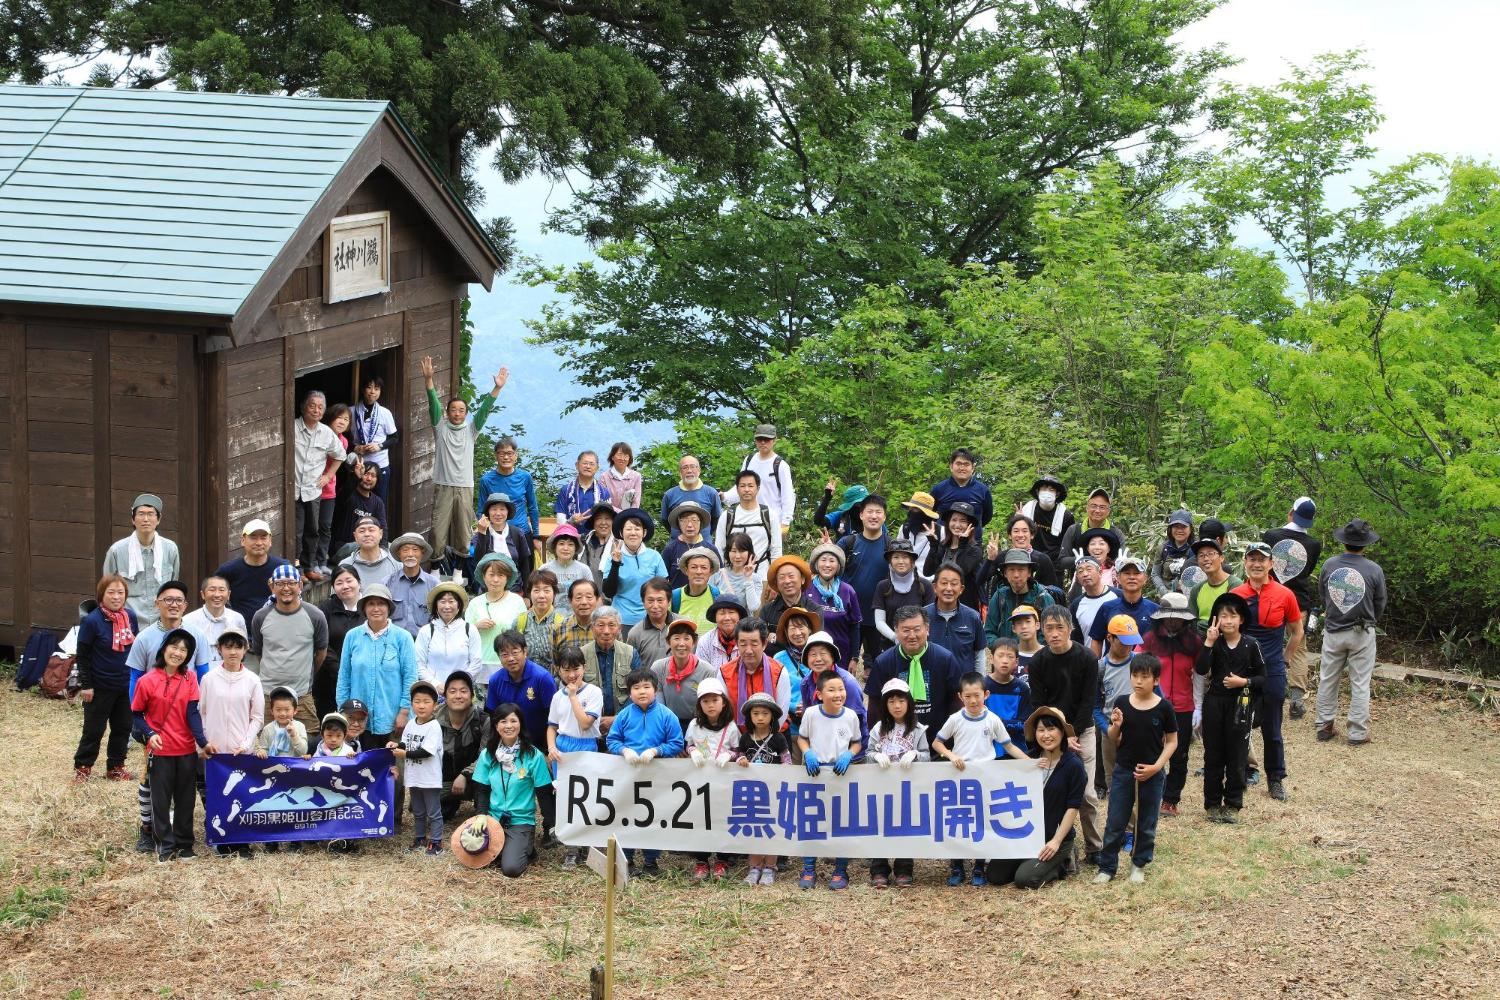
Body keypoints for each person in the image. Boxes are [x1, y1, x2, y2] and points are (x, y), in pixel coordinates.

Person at [934, 671, 1039, 886]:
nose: (973, 700)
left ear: (986, 694)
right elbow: (938, 743)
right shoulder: (955, 719)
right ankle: (957, 866)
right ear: (960, 697)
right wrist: (952, 755)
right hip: (960, 779)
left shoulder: (993, 720)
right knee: (960, 821)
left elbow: (1009, 745)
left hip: (986, 779)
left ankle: (979, 866)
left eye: (977, 695)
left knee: (981, 822)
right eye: (968, 696)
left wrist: (1030, 762)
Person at [1093, 653, 1177, 885]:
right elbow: (1112, 737)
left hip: (1152, 773)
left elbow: (1172, 741)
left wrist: (1157, 767)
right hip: (1124, 770)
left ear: (1156, 680)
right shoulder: (1121, 702)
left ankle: (1138, 864)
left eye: (1144, 677)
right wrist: (1116, 726)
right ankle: (1107, 866)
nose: (1138, 681)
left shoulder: (1164, 707)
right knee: (1115, 820)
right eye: (1135, 676)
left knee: (1147, 821)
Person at [1027, 605, 1101, 866]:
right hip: (1048, 732)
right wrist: (1058, 733)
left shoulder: (1088, 659)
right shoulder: (1037, 662)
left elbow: (1087, 702)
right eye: (1049, 628)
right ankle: (1053, 843)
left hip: (1083, 730)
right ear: (1041, 630)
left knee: (1087, 793)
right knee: (1050, 792)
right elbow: (1039, 703)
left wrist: (1073, 733)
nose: (1055, 633)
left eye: (1060, 627)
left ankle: (1094, 848)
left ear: (1070, 628)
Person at [129, 628, 208, 861]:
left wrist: (202, 742)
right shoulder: (146, 681)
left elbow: (193, 713)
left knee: (186, 798)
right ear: (164, 649)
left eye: (184, 650)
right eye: (174, 647)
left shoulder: (190, 678)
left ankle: (184, 844)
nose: (178, 653)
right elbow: (136, 714)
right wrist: (150, 733)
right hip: (160, 749)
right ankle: (164, 844)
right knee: (160, 799)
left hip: (185, 748)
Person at [1232, 541, 1302, 802]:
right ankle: (1239, 774)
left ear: (1271, 564)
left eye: (1262, 559)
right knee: (1239, 724)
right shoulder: (1237, 594)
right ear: (1245, 563)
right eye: (1252, 559)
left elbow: (1297, 632)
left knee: (1272, 727)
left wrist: (1285, 659)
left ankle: (1275, 778)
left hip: (1272, 668)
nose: (1257, 563)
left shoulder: (1285, 594)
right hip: (1243, 669)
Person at [986, 707, 1087, 890]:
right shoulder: (1028, 759)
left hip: (1053, 839)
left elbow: (1073, 807)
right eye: (1041, 730)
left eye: (1051, 729)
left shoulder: (1074, 766)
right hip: (1025, 836)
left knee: (1024, 880)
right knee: (995, 875)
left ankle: (1063, 861)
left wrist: (1056, 841)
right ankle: (1030, 861)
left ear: (1062, 732)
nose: (1046, 735)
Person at [423, 355, 506, 557]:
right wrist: (428, 380)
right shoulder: (440, 427)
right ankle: (435, 568)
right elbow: (432, 402)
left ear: (466, 414)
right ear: (447, 412)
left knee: (463, 531)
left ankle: (459, 572)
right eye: (453, 410)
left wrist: (497, 389)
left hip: (465, 486)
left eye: (461, 410)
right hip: (443, 484)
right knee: (437, 531)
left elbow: (484, 411)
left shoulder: (471, 430)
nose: (457, 413)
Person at [605, 669, 685, 876]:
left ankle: (651, 861)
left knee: (654, 817)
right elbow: (612, 740)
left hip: (656, 776)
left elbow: (676, 742)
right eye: (636, 687)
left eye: (646, 687)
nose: (642, 692)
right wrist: (624, 750)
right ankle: (628, 859)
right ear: (629, 692)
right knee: (628, 816)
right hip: (629, 776)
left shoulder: (667, 715)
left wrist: (657, 751)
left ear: (655, 690)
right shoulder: (623, 716)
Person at [1314, 519, 1387, 746]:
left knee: (1327, 679)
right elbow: (1380, 602)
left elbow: (1322, 594)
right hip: (1362, 630)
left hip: (1334, 630)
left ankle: (1324, 725)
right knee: (1360, 682)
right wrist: (1371, 619)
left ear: (1344, 542)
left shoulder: (1329, 565)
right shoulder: (1374, 569)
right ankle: (1357, 732)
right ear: (1365, 544)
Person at [1195, 592, 1264, 823]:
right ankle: (1212, 804)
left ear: (1241, 619)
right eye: (1223, 616)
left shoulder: (1251, 644)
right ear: (1216, 619)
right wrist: (1209, 642)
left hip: (1241, 704)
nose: (1228, 621)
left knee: (1237, 756)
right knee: (1213, 754)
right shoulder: (1214, 643)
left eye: (1233, 616)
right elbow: (1202, 669)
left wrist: (1244, 682)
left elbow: (1263, 678)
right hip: (1215, 702)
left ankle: (1233, 804)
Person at [198, 627, 262, 856]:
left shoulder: (253, 680)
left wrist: (246, 743)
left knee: (241, 794)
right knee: (217, 793)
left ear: (245, 650)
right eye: (228, 647)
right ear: (219, 649)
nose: (233, 652)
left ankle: (242, 841)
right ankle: (221, 839)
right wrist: (203, 743)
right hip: (215, 751)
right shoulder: (208, 679)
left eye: (238, 647)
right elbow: (201, 713)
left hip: (240, 751)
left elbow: (257, 718)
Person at [473, 703, 554, 877]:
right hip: (493, 819)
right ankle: (516, 847)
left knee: (510, 869)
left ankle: (525, 846)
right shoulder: (488, 754)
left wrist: (551, 823)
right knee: (480, 858)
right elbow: (483, 789)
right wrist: (480, 816)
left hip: (520, 820)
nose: (508, 726)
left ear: (521, 724)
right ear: (496, 726)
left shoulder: (534, 756)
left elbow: (543, 793)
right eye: (503, 721)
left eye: (513, 721)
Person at [796, 670, 860, 890]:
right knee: (812, 821)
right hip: (815, 774)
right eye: (831, 690)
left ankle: (841, 870)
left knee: (841, 822)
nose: (838, 694)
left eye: (841, 689)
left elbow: (856, 742)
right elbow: (802, 739)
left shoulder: (851, 716)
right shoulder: (811, 714)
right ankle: (809, 868)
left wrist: (849, 754)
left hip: (840, 775)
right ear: (819, 694)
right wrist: (807, 753)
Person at [335, 583, 419, 751]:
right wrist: (343, 712)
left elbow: (410, 677)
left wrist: (404, 712)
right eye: (371, 604)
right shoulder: (353, 636)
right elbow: (344, 677)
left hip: (392, 717)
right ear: (364, 608)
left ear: (388, 607)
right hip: (357, 719)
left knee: (391, 770)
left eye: (381, 603)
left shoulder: (403, 637)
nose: (376, 608)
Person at [248, 564, 328, 738]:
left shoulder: (315, 615)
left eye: (291, 583)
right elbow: (260, 652)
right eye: (280, 583)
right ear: (272, 586)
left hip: (302, 694)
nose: (286, 588)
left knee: (309, 742)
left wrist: (307, 674)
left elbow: (321, 652)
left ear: (300, 585)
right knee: (265, 745)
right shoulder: (261, 616)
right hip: (268, 694)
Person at [864, 677, 929, 888]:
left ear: (909, 702)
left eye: (901, 700)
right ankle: (879, 868)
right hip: (881, 787)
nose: (897, 705)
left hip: (908, 788)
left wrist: (916, 755)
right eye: (891, 701)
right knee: (879, 826)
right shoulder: (878, 729)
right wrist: (874, 756)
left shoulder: (918, 729)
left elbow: (928, 756)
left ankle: (904, 867)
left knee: (905, 826)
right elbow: (868, 752)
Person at [1142, 594, 1203, 817]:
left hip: (1184, 707)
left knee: (1179, 755)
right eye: (1169, 618)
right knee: (1151, 752)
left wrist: (1199, 706)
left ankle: (1171, 799)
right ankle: (1151, 795)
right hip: (1155, 705)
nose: (1173, 622)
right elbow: (1138, 669)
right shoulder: (1149, 640)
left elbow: (1199, 675)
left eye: (1178, 618)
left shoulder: (1194, 641)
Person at [1263, 496, 1324, 720]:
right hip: (1298, 602)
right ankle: (1297, 699)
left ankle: (1266, 693)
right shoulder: (1313, 545)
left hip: (1270, 599)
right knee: (1298, 648)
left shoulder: (1271, 536)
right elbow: (1307, 571)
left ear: (1291, 512)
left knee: (1266, 645)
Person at [866, 606, 962, 741]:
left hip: (939, 741)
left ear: (927, 629)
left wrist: (953, 739)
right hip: (895, 744)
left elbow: (956, 702)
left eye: (917, 630)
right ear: (896, 631)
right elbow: (875, 706)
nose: (912, 636)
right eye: (905, 630)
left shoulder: (945, 659)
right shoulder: (883, 662)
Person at [546, 647, 604, 868]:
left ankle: (587, 844)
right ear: (558, 670)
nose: (572, 675)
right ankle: (571, 848)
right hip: (563, 749)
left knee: (586, 796)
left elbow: (585, 722)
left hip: (585, 747)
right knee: (565, 799)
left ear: (584, 668)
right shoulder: (555, 696)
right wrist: (551, 747)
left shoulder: (593, 693)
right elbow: (552, 726)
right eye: (566, 670)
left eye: (576, 669)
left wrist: (572, 696)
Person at [684, 676, 741, 880]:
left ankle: (722, 860)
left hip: (722, 784)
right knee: (700, 820)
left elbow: (738, 750)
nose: (710, 705)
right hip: (700, 782)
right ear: (700, 704)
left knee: (721, 820)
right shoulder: (694, 725)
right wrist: (693, 752)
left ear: (723, 702)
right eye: (705, 701)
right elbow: (689, 744)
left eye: (715, 700)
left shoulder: (731, 727)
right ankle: (701, 861)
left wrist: (730, 755)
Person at [735, 692, 792, 886]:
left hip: (773, 793)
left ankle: (770, 866)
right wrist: (740, 760)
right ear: (749, 716)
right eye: (756, 713)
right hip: (752, 794)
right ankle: (754, 867)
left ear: (772, 717)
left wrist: (782, 775)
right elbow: (739, 757)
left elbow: (787, 761)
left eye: (765, 713)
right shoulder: (744, 739)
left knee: (771, 829)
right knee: (754, 829)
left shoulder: (779, 739)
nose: (760, 717)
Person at [291, 391, 348, 581]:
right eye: (312, 405)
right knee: (296, 532)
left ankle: (309, 567)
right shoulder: (293, 427)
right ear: (303, 407)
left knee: (313, 530)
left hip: (313, 490)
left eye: (320, 407)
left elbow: (341, 455)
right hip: (294, 489)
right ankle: (297, 570)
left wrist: (328, 476)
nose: (316, 410)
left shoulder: (326, 433)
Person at [101, 493, 181, 626]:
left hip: (161, 621)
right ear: (133, 519)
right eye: (141, 514)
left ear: (158, 519)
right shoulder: (117, 551)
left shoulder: (171, 549)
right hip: (127, 622)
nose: (146, 519)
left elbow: (173, 585)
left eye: (151, 514)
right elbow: (107, 588)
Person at [127, 581, 211, 697]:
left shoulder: (197, 635)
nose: (174, 605)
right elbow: (136, 677)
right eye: (168, 599)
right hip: (154, 703)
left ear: (185, 605)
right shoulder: (143, 638)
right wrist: (135, 711)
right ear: (157, 604)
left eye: (179, 600)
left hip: (187, 703)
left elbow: (203, 673)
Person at [391, 679, 445, 855]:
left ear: (435, 705)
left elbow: (426, 752)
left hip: (429, 778)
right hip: (414, 776)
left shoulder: (434, 726)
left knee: (433, 812)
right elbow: (406, 745)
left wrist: (404, 754)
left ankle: (436, 842)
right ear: (412, 703)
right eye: (417, 701)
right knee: (418, 811)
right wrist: (396, 746)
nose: (421, 706)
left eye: (426, 702)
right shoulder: (411, 723)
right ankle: (420, 838)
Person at [486, 631, 560, 752]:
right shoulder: (495, 681)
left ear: (525, 652)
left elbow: (553, 718)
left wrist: (548, 750)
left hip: (540, 746)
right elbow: (494, 718)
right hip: (508, 746)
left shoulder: (542, 678)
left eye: (515, 652)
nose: (510, 658)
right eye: (504, 654)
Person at [838, 493, 888, 668]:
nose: (874, 516)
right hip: (849, 616)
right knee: (842, 667)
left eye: (878, 512)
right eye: (869, 511)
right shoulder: (848, 543)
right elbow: (829, 572)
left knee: (882, 669)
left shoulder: (891, 546)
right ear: (861, 514)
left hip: (880, 618)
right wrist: (827, 550)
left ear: (884, 516)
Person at [467, 552, 526, 693]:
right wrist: (477, 626)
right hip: (480, 664)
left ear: (507, 578)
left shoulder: (516, 601)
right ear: (483, 576)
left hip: (509, 663)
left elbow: (523, 633)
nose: (495, 580)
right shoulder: (475, 603)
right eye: (491, 574)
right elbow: (464, 634)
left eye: (500, 575)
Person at [213, 519, 289, 625]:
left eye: (263, 538)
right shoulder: (228, 570)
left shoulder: (282, 568)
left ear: (270, 541)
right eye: (253, 538)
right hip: (238, 632)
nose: (259, 543)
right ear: (243, 540)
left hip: (275, 629)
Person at [601, 508, 668, 627]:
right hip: (621, 620)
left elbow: (665, 589)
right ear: (621, 533)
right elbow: (608, 592)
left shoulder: (654, 556)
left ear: (644, 532)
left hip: (650, 619)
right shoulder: (613, 557)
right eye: (628, 529)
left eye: (637, 529)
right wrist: (615, 564)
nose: (633, 533)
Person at [720, 617, 792, 725]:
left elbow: (782, 712)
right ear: (737, 644)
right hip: (736, 735)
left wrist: (765, 738)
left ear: (764, 644)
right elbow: (724, 712)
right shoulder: (724, 673)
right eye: (743, 644)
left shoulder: (779, 671)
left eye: (754, 644)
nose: (748, 650)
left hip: (776, 733)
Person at [315, 402, 359, 578]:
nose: (342, 421)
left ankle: (321, 562)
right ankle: (308, 564)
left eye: (346, 419)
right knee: (312, 527)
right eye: (339, 417)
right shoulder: (320, 435)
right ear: (331, 418)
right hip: (314, 487)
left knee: (325, 526)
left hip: (330, 489)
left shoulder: (344, 441)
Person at [799, 630, 867, 742]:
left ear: (832, 656)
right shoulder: (806, 683)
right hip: (821, 747)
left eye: (823, 653)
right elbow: (808, 717)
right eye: (813, 654)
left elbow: (857, 721)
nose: (818, 659)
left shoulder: (847, 682)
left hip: (849, 748)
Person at [438, 670, 489, 820]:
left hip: (476, 778)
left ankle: (482, 806)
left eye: (463, 691)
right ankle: (449, 800)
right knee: (426, 809)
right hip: (446, 777)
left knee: (488, 781)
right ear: (445, 696)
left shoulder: (483, 721)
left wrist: (465, 774)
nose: (458, 696)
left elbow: (486, 757)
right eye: (452, 691)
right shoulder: (433, 721)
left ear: (472, 696)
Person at [314, 566, 363, 720]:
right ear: (333, 587)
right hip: (329, 679)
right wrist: (340, 669)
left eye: (349, 580)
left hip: (362, 676)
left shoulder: (369, 607)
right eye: (339, 583)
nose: (345, 586)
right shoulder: (324, 609)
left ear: (359, 582)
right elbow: (322, 642)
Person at [1087, 554, 1157, 657]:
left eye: (1137, 573)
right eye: (1127, 573)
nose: (1132, 577)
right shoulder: (1107, 608)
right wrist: (1095, 667)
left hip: (1145, 670)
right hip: (1113, 668)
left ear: (1145, 578)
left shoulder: (1155, 610)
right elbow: (1096, 640)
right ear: (1118, 578)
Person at [872, 539, 936, 652]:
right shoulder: (882, 586)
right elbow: (879, 621)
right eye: (896, 557)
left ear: (912, 561)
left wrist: (916, 638)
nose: (901, 561)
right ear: (890, 561)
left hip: (920, 646)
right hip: (890, 647)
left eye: (905, 557)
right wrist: (895, 637)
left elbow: (929, 619)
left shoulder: (925, 586)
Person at [416, 581, 483, 688]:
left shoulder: (470, 630)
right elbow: (418, 664)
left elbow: (476, 663)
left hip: (461, 691)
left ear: (459, 605)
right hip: (433, 692)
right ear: (436, 605)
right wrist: (436, 684)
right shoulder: (426, 631)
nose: (447, 606)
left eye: (451, 601)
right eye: (442, 601)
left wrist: (459, 684)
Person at [580, 607, 640, 726]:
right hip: (589, 723)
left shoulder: (631, 653)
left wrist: (617, 719)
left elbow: (638, 689)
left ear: (619, 628)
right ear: (592, 627)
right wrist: (592, 718)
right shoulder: (581, 654)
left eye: (612, 625)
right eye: (600, 625)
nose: (606, 631)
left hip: (624, 722)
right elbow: (575, 691)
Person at [714, 470, 783, 573]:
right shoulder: (727, 516)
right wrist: (721, 575)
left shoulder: (769, 515)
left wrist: (774, 577)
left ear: (758, 489)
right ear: (737, 489)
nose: (746, 490)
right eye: (742, 486)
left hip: (762, 574)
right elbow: (719, 548)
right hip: (732, 575)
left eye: (750, 486)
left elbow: (776, 549)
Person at [650, 619, 712, 731]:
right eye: (676, 638)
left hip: (699, 724)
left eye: (687, 638)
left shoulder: (707, 670)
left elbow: (710, 704)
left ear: (694, 642)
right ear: (668, 642)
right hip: (667, 723)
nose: (681, 643)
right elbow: (658, 702)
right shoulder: (658, 667)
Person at [732, 425, 795, 533]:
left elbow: (788, 495)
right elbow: (740, 487)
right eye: (759, 439)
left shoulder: (780, 465)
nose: (763, 442)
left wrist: (785, 522)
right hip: (749, 519)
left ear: (774, 440)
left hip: (773, 522)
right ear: (755, 440)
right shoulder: (749, 460)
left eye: (767, 439)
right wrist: (724, 497)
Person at [924, 501, 987, 609]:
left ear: (969, 525)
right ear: (948, 522)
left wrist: (962, 544)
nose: (957, 525)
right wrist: (933, 545)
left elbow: (959, 572)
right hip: (941, 604)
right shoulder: (943, 546)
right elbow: (928, 571)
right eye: (954, 520)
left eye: (963, 521)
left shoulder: (975, 550)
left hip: (966, 606)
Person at [985, 549, 1055, 644]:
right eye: (1011, 570)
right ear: (1005, 573)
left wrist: (1032, 651)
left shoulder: (1043, 597)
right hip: (1007, 655)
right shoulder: (1000, 596)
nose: (1016, 575)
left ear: (1029, 573)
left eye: (1021, 570)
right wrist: (1001, 648)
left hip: (1036, 655)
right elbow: (989, 631)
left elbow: (1050, 631)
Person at [469, 493, 534, 595]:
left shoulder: (517, 533)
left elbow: (525, 565)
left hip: (515, 591)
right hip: (488, 591)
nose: (498, 513)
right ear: (488, 513)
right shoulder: (481, 534)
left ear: (508, 512)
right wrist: (482, 533)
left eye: (502, 509)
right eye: (494, 509)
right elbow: (478, 560)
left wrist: (527, 595)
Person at [351, 375, 399, 512]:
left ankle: (380, 533)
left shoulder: (385, 413)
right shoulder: (352, 411)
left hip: (380, 465)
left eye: (376, 388)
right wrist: (355, 447)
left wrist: (379, 446)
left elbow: (395, 437)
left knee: (379, 503)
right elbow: (341, 438)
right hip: (359, 465)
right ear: (362, 389)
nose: (372, 392)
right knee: (357, 504)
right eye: (369, 387)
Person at [476, 436, 540, 536]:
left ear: (515, 456)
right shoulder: (486, 480)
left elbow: (533, 507)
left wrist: (536, 535)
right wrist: (482, 533)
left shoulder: (525, 477)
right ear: (495, 456)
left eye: (509, 453)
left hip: (521, 533)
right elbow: (481, 510)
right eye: (501, 454)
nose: (506, 457)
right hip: (495, 533)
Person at [927, 564, 985, 672]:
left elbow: (979, 655)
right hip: (931, 683)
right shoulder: (922, 616)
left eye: (954, 584)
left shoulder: (973, 617)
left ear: (961, 589)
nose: (949, 588)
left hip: (964, 685)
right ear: (934, 587)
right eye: (944, 583)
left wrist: (979, 684)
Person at [183, 576, 246, 671]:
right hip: (197, 675)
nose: (217, 595)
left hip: (230, 674)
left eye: (221, 590)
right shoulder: (188, 620)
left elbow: (243, 648)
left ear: (228, 594)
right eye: (212, 590)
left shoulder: (237, 618)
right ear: (203, 594)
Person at [772, 608, 818, 730]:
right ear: (786, 633)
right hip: (790, 723)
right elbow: (774, 692)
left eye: (801, 627)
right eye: (792, 629)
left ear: (810, 630)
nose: (797, 633)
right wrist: (793, 706)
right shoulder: (779, 658)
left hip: (818, 721)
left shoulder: (819, 656)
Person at [985, 638, 1033, 756]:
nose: (1005, 661)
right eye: (1000, 656)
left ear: (1016, 662)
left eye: (1010, 657)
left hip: (1016, 749)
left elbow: (1025, 724)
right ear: (991, 658)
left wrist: (999, 723)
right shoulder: (982, 686)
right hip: (987, 749)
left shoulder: (1022, 689)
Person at [1057, 488, 1121, 577]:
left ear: (1108, 511)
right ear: (1087, 508)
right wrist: (1080, 559)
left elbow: (1122, 558)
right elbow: (1061, 561)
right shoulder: (1074, 530)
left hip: (1109, 582)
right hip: (1080, 582)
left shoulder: (1115, 533)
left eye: (1102, 507)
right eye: (1093, 506)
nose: (1097, 510)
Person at [386, 533, 438, 636]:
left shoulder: (434, 584)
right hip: (395, 641)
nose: (410, 554)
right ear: (399, 554)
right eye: (405, 550)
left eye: (415, 550)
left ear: (422, 553)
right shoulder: (387, 582)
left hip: (424, 642)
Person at [990, 514, 1059, 591]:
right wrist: (990, 560)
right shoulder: (1002, 557)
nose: (1020, 535)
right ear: (1010, 535)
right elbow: (987, 584)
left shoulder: (1043, 560)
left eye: (1025, 531)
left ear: (1032, 535)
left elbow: (1052, 590)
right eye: (1016, 531)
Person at [516, 570, 567, 674]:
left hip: (553, 683)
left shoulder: (563, 623)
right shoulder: (520, 621)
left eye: (547, 590)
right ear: (530, 593)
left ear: (554, 593)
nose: (541, 596)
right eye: (536, 590)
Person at [1187, 537, 1241, 634]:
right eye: (1201, 555)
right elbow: (1191, 620)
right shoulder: (1197, 589)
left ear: (1221, 558)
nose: (1206, 559)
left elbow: (1234, 620)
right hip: (1200, 640)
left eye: (1211, 554)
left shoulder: (1234, 585)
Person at [929, 447, 994, 526]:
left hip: (973, 538)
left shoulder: (983, 490)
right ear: (951, 466)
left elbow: (987, 517)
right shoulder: (939, 489)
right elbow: (929, 514)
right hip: (944, 538)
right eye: (958, 464)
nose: (962, 468)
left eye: (966, 464)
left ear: (973, 468)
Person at [540, 524, 595, 617]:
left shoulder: (584, 569)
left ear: (576, 548)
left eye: (570, 544)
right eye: (561, 543)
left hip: (578, 620)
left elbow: (593, 596)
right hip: (550, 620)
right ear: (555, 546)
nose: (566, 548)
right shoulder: (544, 569)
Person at [661, 455, 723, 538]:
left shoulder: (711, 493)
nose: (689, 470)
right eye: (685, 467)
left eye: (693, 467)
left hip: (704, 546)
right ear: (680, 472)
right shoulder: (669, 494)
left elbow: (716, 518)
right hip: (677, 546)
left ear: (699, 470)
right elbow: (666, 520)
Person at [332, 461, 387, 552]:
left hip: (366, 546)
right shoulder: (348, 494)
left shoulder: (378, 502)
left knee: (390, 546)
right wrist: (355, 477)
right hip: (342, 547)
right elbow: (343, 494)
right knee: (366, 547)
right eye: (366, 474)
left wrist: (384, 551)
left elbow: (383, 528)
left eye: (373, 476)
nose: (369, 478)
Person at [1020, 474, 1075, 564]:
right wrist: (1018, 519)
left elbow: (1069, 543)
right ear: (1037, 491)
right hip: (1029, 559)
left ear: (1057, 494)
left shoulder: (1066, 516)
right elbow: (1017, 534)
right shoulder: (1027, 509)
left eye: (1051, 490)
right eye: (1044, 489)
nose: (1047, 492)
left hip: (1054, 563)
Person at [660, 502, 718, 587]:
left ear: (700, 522)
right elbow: (662, 580)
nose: (689, 525)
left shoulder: (710, 549)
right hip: (678, 598)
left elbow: (719, 577)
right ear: (678, 523)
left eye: (694, 520)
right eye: (684, 521)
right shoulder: (670, 549)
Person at [759, 554, 814, 641]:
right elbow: (761, 640)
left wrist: (775, 639)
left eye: (791, 576)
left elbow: (815, 642)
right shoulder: (767, 611)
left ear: (802, 579)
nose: (787, 581)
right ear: (776, 582)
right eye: (782, 577)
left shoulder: (813, 610)